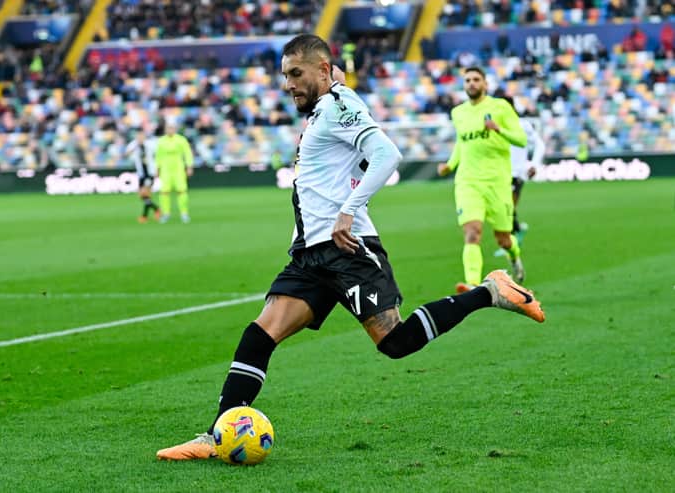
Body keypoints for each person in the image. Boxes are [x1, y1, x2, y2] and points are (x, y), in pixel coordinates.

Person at [156, 35, 545, 462]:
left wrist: (348, 210)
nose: (288, 84)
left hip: (348, 249)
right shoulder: (330, 101)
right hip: (310, 254)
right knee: (259, 335)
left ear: (322, 71)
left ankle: (488, 292)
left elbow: (387, 154)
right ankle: (217, 435)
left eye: (296, 74)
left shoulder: (338, 107)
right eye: (285, 75)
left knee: (395, 343)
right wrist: (337, 81)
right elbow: (337, 87)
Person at [437, 67, 528, 293]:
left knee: (504, 239)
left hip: (497, 182)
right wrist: (450, 164)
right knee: (472, 232)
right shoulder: (458, 112)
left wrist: (498, 130)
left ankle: (515, 256)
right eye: (467, 80)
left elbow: (521, 140)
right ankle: (473, 285)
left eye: (476, 79)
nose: (471, 83)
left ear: (485, 84)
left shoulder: (500, 107)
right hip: (468, 181)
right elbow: (462, 143)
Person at [494, 96, 545, 255]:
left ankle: (511, 239)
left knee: (506, 207)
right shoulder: (495, 128)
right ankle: (517, 230)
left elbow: (539, 144)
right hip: (499, 173)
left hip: (517, 173)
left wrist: (534, 164)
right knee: (501, 208)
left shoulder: (522, 125)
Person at [155, 121, 194, 223]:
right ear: (165, 129)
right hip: (165, 170)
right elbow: (158, 156)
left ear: (175, 129)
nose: (170, 130)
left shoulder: (181, 140)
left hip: (178, 169)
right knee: (164, 192)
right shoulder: (161, 141)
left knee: (182, 191)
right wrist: (157, 169)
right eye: (168, 128)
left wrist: (189, 166)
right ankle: (166, 214)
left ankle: (184, 213)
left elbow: (187, 153)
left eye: (172, 128)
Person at [123, 130, 160, 223]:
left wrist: (157, 169)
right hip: (141, 173)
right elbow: (126, 154)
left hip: (150, 173)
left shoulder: (150, 144)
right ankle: (156, 209)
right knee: (142, 196)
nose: (140, 138)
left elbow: (158, 155)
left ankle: (144, 216)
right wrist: (134, 148)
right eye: (138, 137)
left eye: (141, 136)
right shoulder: (134, 145)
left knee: (145, 193)